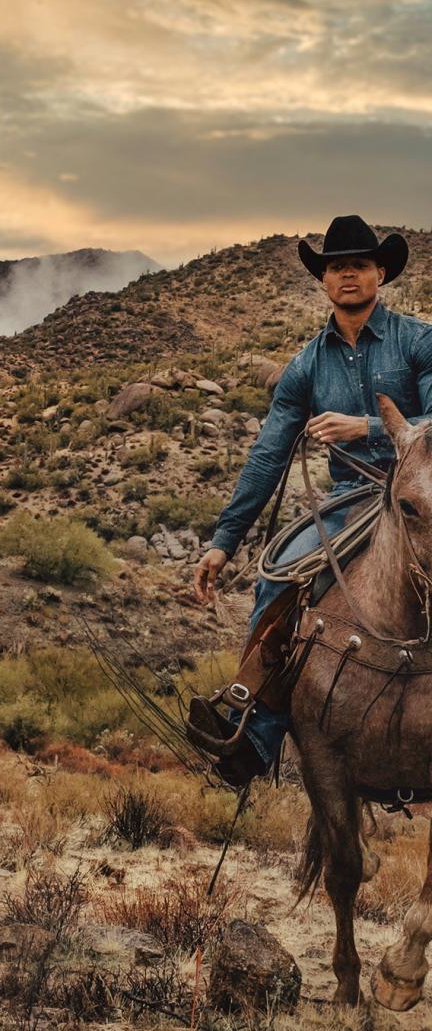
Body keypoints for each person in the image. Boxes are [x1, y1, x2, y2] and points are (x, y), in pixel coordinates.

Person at [188, 215, 431, 786]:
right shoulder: (307, 364)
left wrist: (366, 426)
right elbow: (268, 456)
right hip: (351, 500)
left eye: (359, 264)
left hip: (422, 493)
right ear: (323, 280)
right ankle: (252, 732)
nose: (348, 274)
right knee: (277, 575)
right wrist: (224, 544)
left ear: (380, 273)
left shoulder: (419, 340)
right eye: (336, 266)